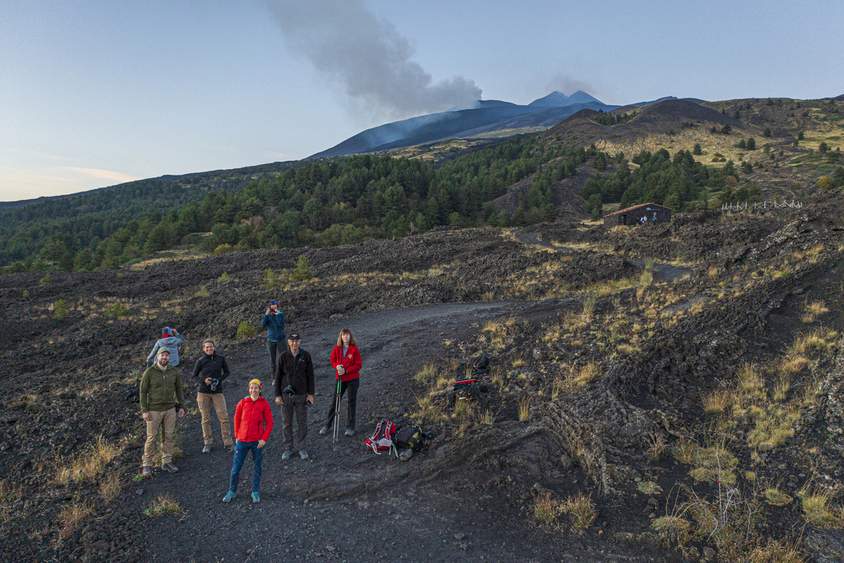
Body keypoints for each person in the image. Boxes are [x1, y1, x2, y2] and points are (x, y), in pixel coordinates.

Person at [223, 379, 273, 503]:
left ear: (260, 390)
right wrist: (236, 435)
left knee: (257, 467)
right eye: (251, 388)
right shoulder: (243, 403)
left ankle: (255, 492)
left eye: (256, 388)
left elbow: (270, 422)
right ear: (248, 389)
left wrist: (264, 439)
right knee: (236, 467)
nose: (253, 390)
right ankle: (232, 491)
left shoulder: (264, 404)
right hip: (242, 440)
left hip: (257, 441)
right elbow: (236, 418)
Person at [139, 347, 185, 476]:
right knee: (151, 437)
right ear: (157, 357)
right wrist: (144, 410)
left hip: (170, 409)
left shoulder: (173, 372)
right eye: (162, 355)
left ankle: (167, 461)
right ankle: (147, 464)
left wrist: (181, 406)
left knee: (168, 436)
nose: (164, 357)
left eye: (166, 355)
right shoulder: (150, 372)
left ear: (169, 357)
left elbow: (179, 390)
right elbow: (143, 392)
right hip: (153, 410)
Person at [274, 333, 314, 460]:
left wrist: (311, 394)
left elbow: (310, 376)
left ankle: (302, 448)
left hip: (302, 395)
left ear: (299, 342)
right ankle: (288, 449)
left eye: (297, 341)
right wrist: (277, 395)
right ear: (289, 342)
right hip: (286, 396)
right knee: (287, 423)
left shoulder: (306, 356)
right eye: (292, 341)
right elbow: (278, 377)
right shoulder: (283, 357)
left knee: (302, 422)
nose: (295, 343)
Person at [192, 339, 233, 453]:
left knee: (224, 417)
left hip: (217, 392)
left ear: (214, 347)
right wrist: (204, 380)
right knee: (205, 419)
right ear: (203, 349)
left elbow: (227, 372)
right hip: (203, 392)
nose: (209, 349)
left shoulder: (220, 358)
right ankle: (207, 443)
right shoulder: (201, 361)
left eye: (211, 347)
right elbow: (194, 376)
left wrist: (219, 380)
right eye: (207, 347)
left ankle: (228, 442)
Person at [320, 328, 362, 437]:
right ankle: (327, 425)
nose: (346, 337)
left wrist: (347, 370)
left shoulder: (354, 349)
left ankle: (350, 427)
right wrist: (337, 366)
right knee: (335, 401)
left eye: (347, 335)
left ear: (350, 336)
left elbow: (358, 365)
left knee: (351, 402)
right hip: (340, 379)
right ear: (341, 337)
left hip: (352, 379)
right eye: (344, 335)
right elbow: (332, 360)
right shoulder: (337, 348)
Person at [262, 301, 285, 379]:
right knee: (272, 360)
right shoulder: (268, 316)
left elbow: (281, 324)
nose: (274, 308)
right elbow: (263, 324)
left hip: (280, 340)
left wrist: (277, 315)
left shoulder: (281, 315)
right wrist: (266, 314)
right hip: (271, 340)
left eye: (275, 306)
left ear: (277, 307)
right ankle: (274, 377)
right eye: (272, 307)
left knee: (284, 358)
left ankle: (285, 375)